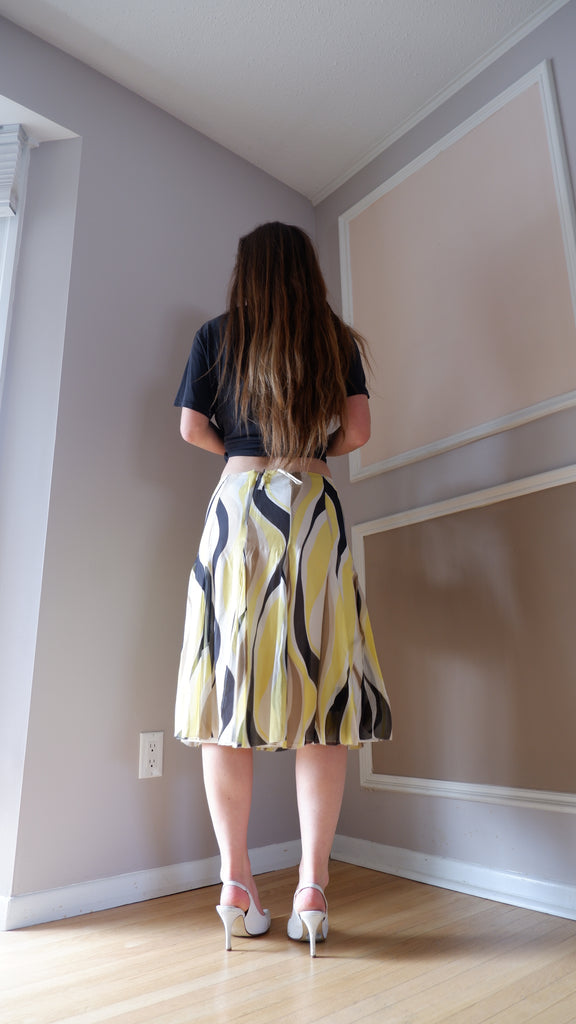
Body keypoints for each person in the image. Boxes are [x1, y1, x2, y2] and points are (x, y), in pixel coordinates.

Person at [174, 222, 391, 956]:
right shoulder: (334, 338)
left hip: (237, 513)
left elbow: (191, 428)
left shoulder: (216, 334)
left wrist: (244, 452)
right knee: (323, 697)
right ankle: (312, 889)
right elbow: (358, 431)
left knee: (226, 694)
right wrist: (307, 449)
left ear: (248, 272)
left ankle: (236, 884)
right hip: (313, 513)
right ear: (307, 270)